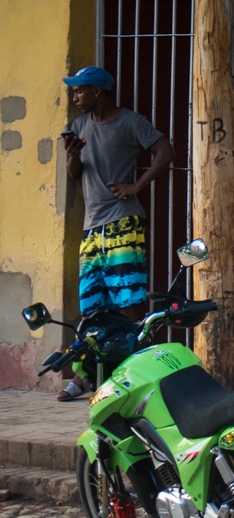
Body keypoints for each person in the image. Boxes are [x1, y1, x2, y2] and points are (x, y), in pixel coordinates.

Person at [58, 66, 175, 401]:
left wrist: (136, 185)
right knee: (92, 304)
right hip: (92, 225)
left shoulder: (131, 122)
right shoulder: (79, 125)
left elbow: (166, 151)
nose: (75, 96)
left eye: (79, 90)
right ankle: (84, 376)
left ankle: (131, 375)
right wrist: (72, 157)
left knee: (128, 301)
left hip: (123, 222)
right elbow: (75, 174)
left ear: (98, 91)